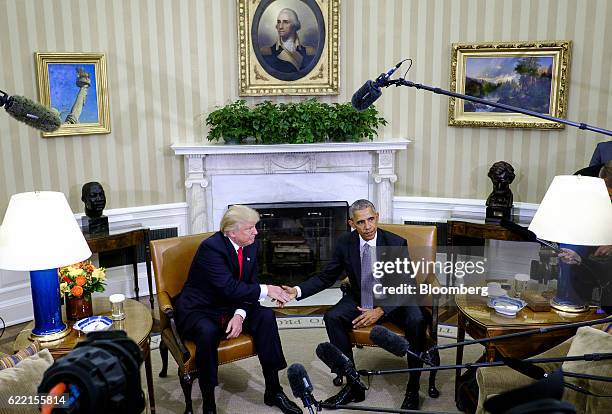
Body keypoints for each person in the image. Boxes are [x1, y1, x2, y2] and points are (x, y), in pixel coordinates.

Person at [283, 199, 427, 410]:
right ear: (352, 223)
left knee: (417, 319)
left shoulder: (395, 242)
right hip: (361, 297)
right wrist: (297, 291)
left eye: (371, 219)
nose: (367, 226)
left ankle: (413, 387)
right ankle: (353, 385)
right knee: (332, 317)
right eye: (361, 222)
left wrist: (380, 310)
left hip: (393, 300)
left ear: (377, 217)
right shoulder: (345, 243)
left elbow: (406, 284)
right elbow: (326, 277)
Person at [174, 205, 301, 414]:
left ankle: (274, 390)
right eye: (250, 228)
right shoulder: (211, 248)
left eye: (255, 227)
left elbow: (248, 284)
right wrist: (267, 289)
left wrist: (239, 315)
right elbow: (229, 287)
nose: (256, 232)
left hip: (231, 304)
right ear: (231, 232)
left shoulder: (250, 245)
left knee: (266, 317)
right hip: (202, 307)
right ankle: (209, 403)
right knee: (208, 332)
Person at [260, 8, 315, 73]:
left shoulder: (309, 52)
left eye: (285, 22)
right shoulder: (267, 53)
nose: (280, 26)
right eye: (279, 22)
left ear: (294, 25)